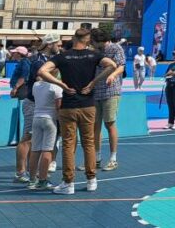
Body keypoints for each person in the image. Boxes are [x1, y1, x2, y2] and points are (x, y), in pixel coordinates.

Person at [36, 26, 118, 195]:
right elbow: (112, 65)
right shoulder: (94, 55)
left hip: (69, 106)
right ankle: (91, 180)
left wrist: (61, 84)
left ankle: (68, 182)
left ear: (74, 38)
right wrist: (94, 82)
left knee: (68, 144)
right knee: (88, 142)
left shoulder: (63, 57)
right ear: (88, 40)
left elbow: (42, 71)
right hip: (88, 105)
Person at [91, 28, 125, 172]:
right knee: (95, 126)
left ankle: (113, 159)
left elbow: (121, 67)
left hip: (111, 91)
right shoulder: (94, 51)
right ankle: (96, 158)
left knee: (109, 124)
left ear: (98, 40)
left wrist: (113, 75)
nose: (91, 43)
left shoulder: (115, 48)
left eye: (93, 41)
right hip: (95, 92)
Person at [27, 33, 61, 175]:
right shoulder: (39, 62)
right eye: (58, 45)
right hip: (41, 107)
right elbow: (40, 78)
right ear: (50, 44)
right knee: (43, 145)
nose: (60, 47)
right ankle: (40, 176)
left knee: (39, 145)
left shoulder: (48, 60)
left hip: (40, 110)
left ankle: (33, 175)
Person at [27, 65, 63, 191]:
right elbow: (58, 107)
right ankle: (42, 180)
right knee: (47, 150)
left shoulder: (36, 85)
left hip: (36, 118)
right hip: (50, 119)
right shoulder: (56, 87)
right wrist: (61, 123)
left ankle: (32, 179)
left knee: (35, 150)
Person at [9, 46, 33, 183]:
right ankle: (27, 169)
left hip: (23, 91)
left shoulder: (24, 63)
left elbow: (23, 77)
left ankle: (22, 170)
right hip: (25, 92)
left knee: (27, 136)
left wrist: (15, 88)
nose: (13, 55)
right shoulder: (25, 62)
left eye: (15, 53)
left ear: (19, 54)